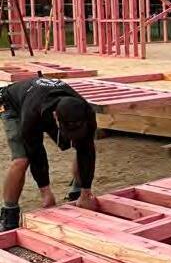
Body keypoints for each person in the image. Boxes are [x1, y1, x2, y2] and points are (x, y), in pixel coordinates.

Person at [0, 77, 98, 231]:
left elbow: (87, 149)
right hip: (11, 104)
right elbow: (36, 152)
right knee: (22, 158)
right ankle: (9, 214)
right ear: (55, 117)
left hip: (42, 99)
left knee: (81, 142)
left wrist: (86, 191)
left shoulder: (87, 111)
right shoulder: (32, 115)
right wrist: (45, 192)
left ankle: (78, 191)